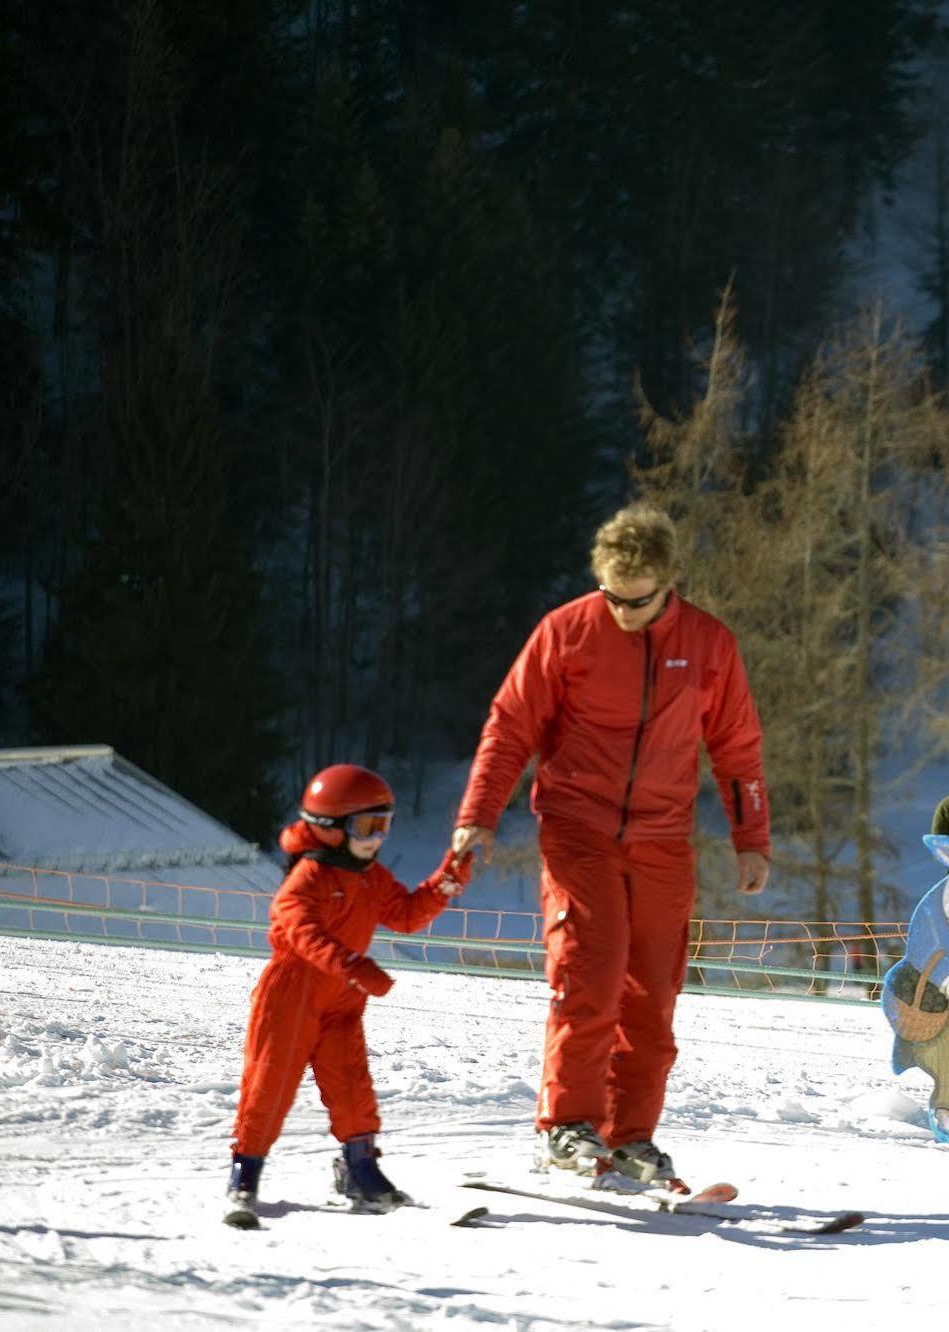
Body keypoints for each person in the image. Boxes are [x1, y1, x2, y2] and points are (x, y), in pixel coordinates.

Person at [451, 501, 771, 1189]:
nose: (622, 612)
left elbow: (737, 746)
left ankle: (631, 1138)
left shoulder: (710, 644)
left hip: (661, 840)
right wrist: (479, 812)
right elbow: (510, 726)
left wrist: (751, 838)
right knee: (589, 975)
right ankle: (565, 1127)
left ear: (668, 584)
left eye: (638, 601)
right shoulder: (565, 633)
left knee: (652, 996)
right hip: (577, 829)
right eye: (611, 597)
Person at [227, 764, 469, 1226]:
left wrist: (447, 880)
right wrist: (354, 965)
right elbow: (298, 929)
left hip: (342, 999)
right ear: (330, 829)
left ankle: (360, 1171)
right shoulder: (309, 875)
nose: (377, 838)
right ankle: (244, 1176)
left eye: (384, 825)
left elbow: (406, 914)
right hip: (293, 994)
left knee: (353, 1088)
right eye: (366, 826)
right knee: (269, 1087)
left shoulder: (370, 876)